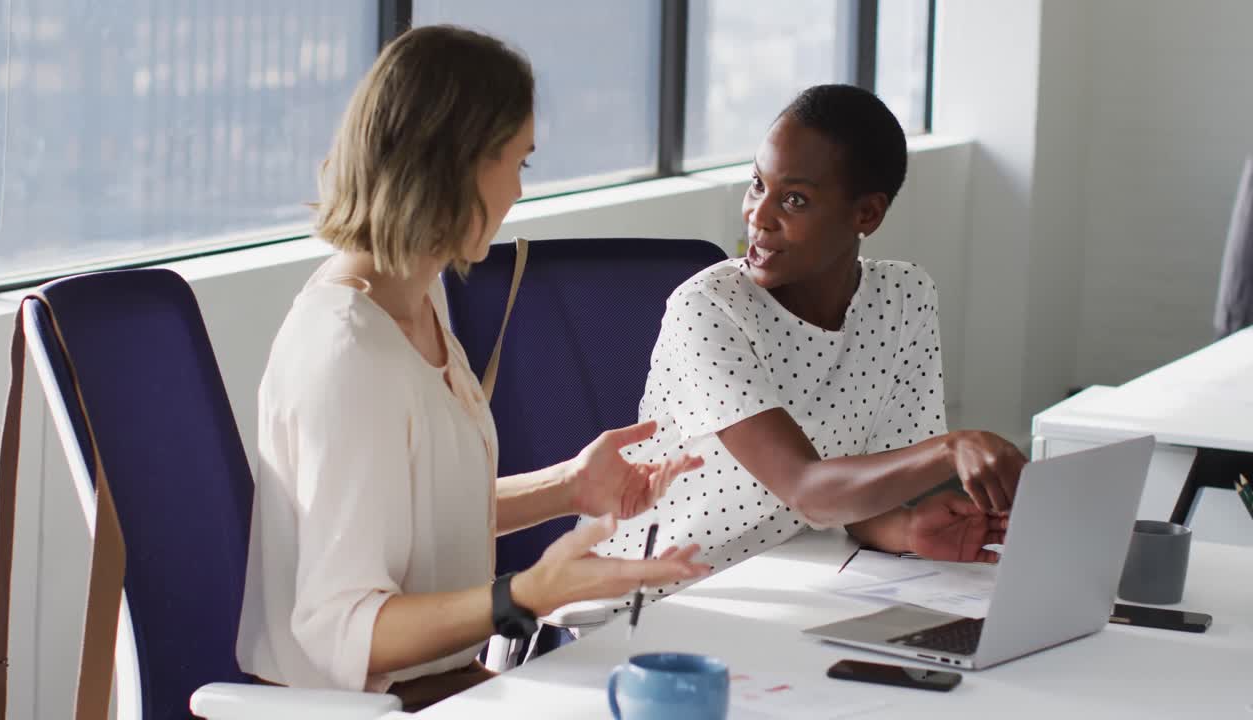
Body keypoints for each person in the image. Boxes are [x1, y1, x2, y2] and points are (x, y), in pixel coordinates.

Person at [235, 25, 709, 710]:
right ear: (455, 164)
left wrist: (572, 486)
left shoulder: (411, 305)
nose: (518, 192)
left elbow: (415, 519)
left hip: (446, 687)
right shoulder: (347, 352)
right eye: (518, 164)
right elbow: (343, 630)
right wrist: (522, 596)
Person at [584, 84, 1025, 605]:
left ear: (867, 215)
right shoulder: (709, 307)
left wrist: (907, 530)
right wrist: (953, 447)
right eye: (756, 185)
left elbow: (862, 494)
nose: (759, 215)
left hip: (791, 582)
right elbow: (805, 489)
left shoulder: (904, 298)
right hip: (647, 601)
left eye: (793, 199)